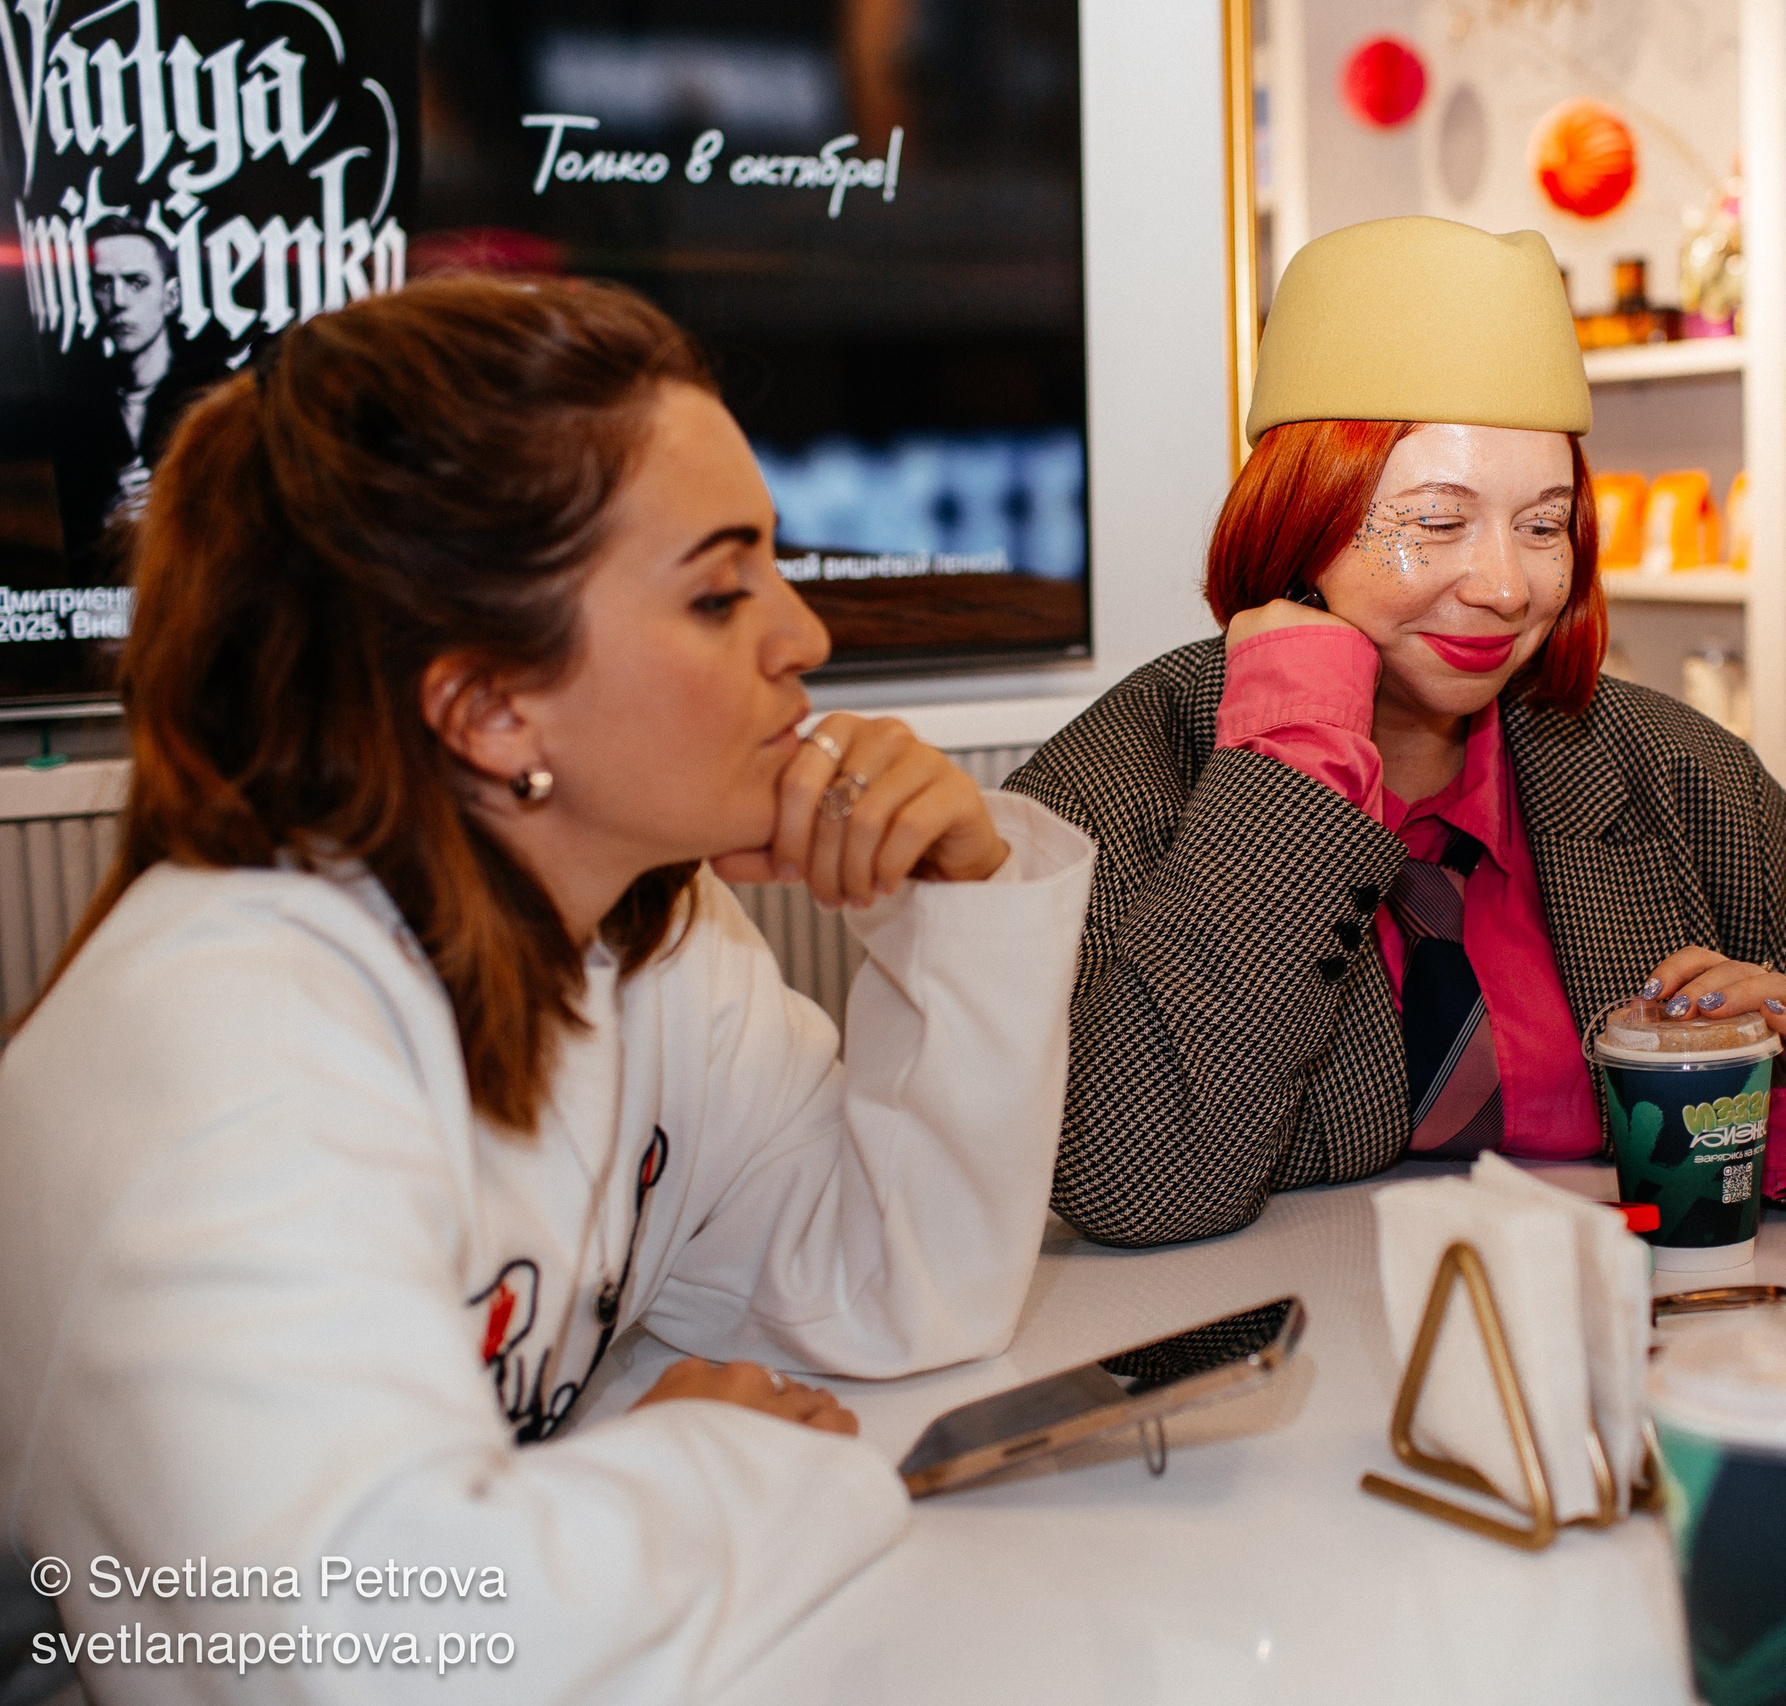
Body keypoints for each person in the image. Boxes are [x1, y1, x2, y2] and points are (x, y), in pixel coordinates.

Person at [0, 276, 1094, 1695]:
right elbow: (370, 1651)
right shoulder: (223, 1029)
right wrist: (720, 1460)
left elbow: (895, 1287)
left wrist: (961, 892)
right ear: (490, 709)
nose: (805, 638)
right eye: (720, 591)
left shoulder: (652, 939)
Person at [1007, 217, 1786, 1249]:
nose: (1506, 587)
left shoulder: (1672, 772)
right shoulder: (1115, 786)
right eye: (1437, 522)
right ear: (1297, 521)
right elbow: (1134, 1178)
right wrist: (1293, 758)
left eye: (1543, 526)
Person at [50, 217, 219, 562]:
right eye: (104, 284)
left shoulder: (213, 395)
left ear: (170, 297)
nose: (119, 301)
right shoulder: (73, 408)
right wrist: (107, 522)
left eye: (136, 283)